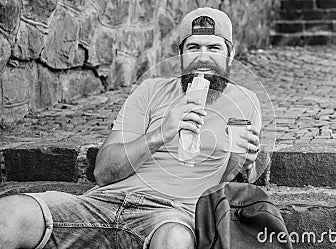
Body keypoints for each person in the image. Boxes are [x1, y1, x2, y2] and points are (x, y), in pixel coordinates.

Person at [0, 7, 262, 249]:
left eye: (214, 47)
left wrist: (244, 165)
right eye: (194, 47)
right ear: (181, 53)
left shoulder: (245, 102)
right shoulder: (150, 91)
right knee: (10, 214)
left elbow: (232, 187)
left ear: (231, 54)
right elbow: (103, 172)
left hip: (171, 215)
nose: (203, 57)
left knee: (175, 240)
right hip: (102, 203)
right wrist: (162, 132)